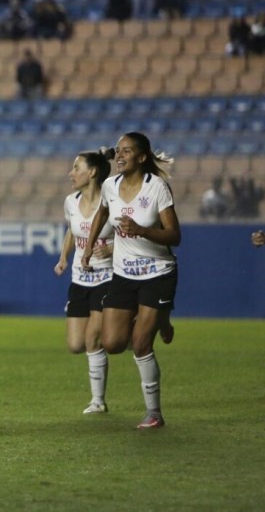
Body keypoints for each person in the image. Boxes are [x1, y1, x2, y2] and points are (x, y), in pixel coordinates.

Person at [82, 132, 180, 429]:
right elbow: (102, 212)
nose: (120, 156)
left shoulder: (157, 187)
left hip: (157, 273)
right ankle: (158, 318)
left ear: (141, 157)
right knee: (112, 343)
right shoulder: (110, 185)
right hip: (123, 275)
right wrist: (88, 245)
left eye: (127, 151)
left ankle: (154, 413)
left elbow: (175, 236)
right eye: (118, 151)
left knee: (139, 344)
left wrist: (141, 230)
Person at [54, 149, 116, 414]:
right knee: (76, 345)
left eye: (76, 167)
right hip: (80, 278)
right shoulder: (71, 201)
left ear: (92, 172)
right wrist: (63, 257)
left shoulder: (112, 201)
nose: (71, 172)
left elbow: (131, 235)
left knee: (93, 339)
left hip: (108, 277)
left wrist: (111, 249)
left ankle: (98, 401)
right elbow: (72, 229)